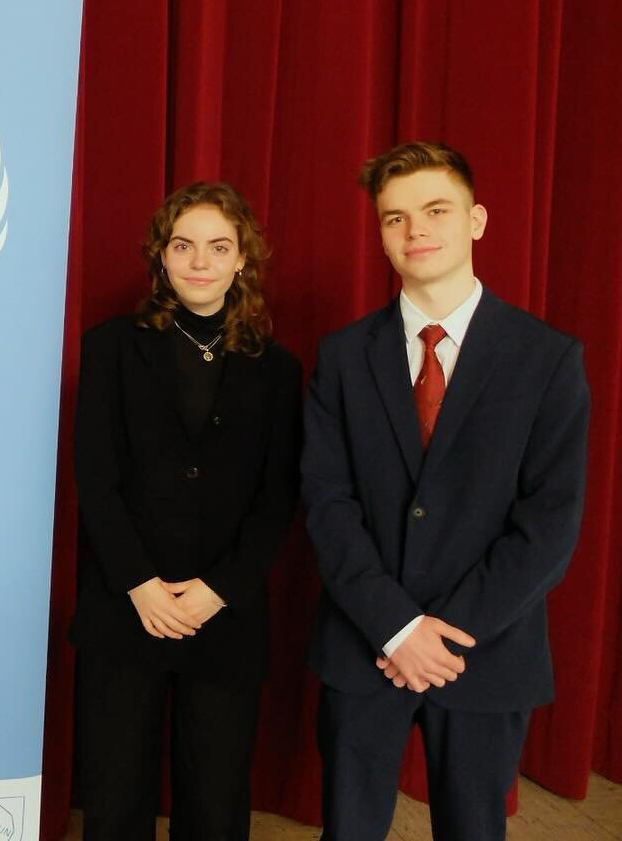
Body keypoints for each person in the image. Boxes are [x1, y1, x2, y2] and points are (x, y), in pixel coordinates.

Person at [302, 141, 589, 840]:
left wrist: (443, 637)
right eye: (394, 218)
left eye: (436, 210)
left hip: (486, 648)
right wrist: (398, 628)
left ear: (477, 220)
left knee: (472, 828)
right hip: (366, 641)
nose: (415, 231)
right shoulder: (342, 357)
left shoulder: (547, 358)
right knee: (349, 828)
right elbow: (326, 505)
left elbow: (549, 525)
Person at [70, 181, 302, 839]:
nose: (200, 260)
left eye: (218, 246)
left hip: (224, 613)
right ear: (162, 256)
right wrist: (140, 585)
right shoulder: (110, 347)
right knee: (114, 797)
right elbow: (97, 477)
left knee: (215, 798)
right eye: (184, 244)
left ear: (242, 261)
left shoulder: (279, 370)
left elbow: (278, 497)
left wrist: (220, 590)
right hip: (125, 605)